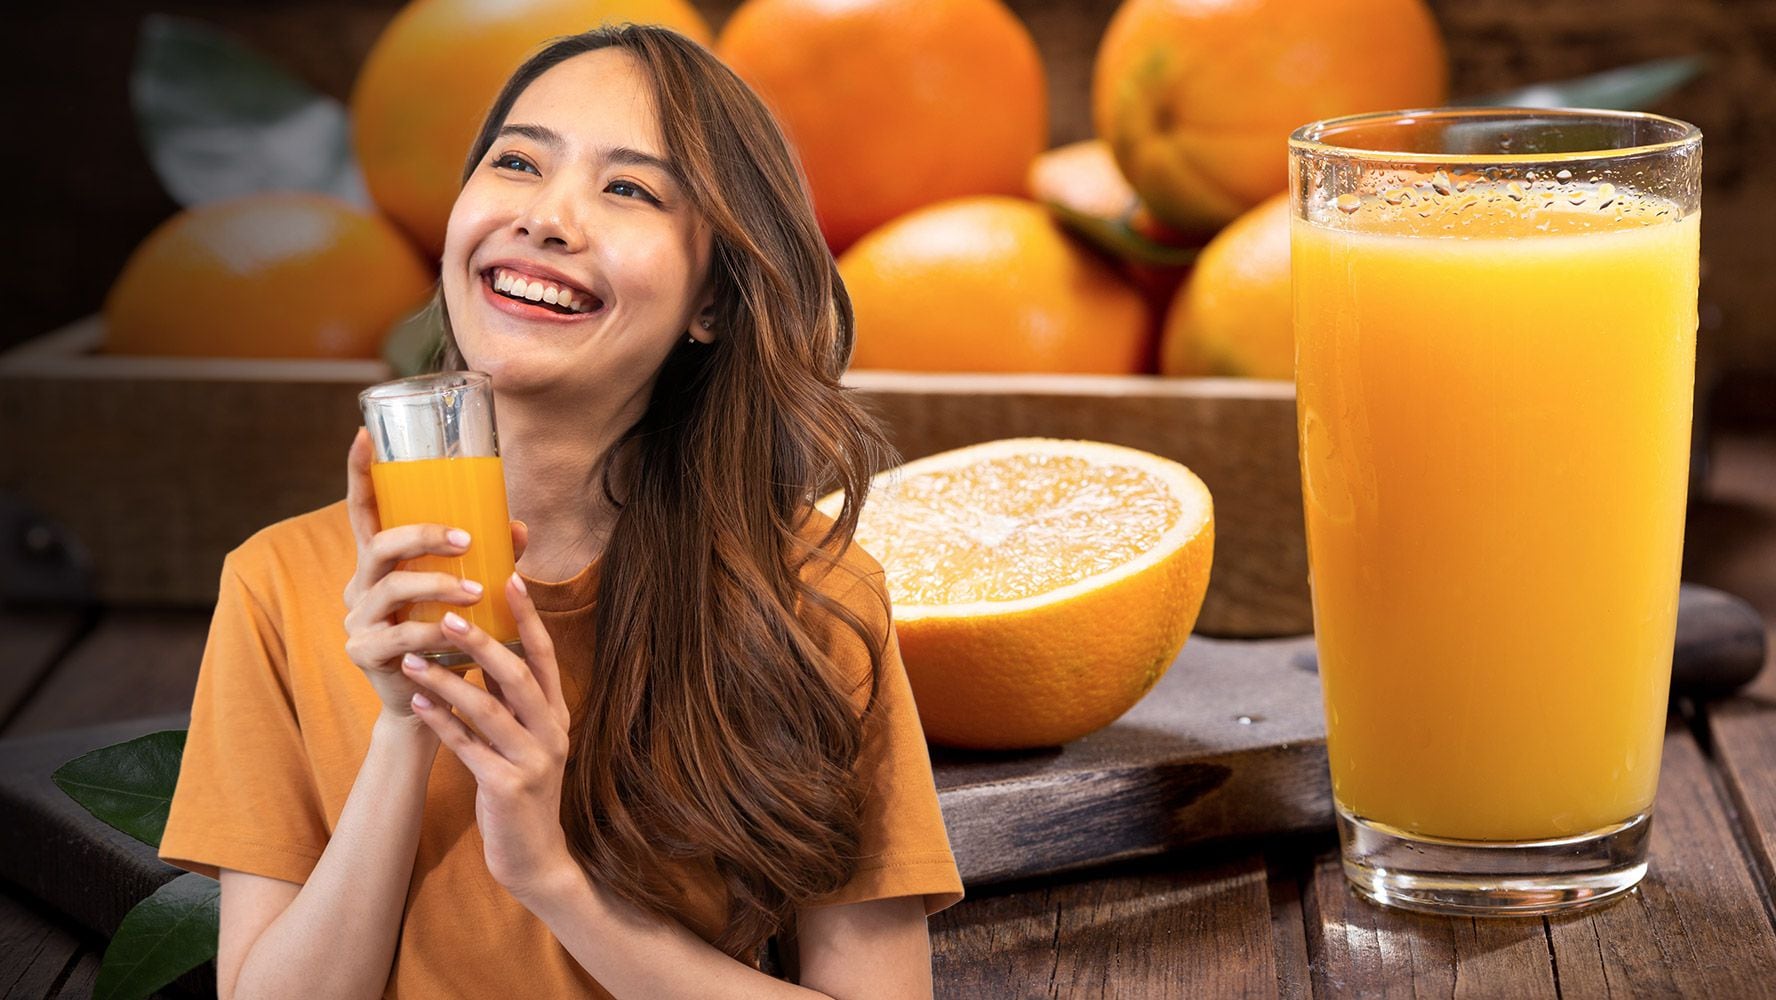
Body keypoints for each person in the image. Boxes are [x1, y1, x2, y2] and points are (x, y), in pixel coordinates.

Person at [159, 24, 962, 1000]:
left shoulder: (814, 603)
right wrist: (407, 727)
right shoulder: (277, 583)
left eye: (628, 188)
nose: (548, 216)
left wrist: (551, 878)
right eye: (517, 161)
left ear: (711, 299)